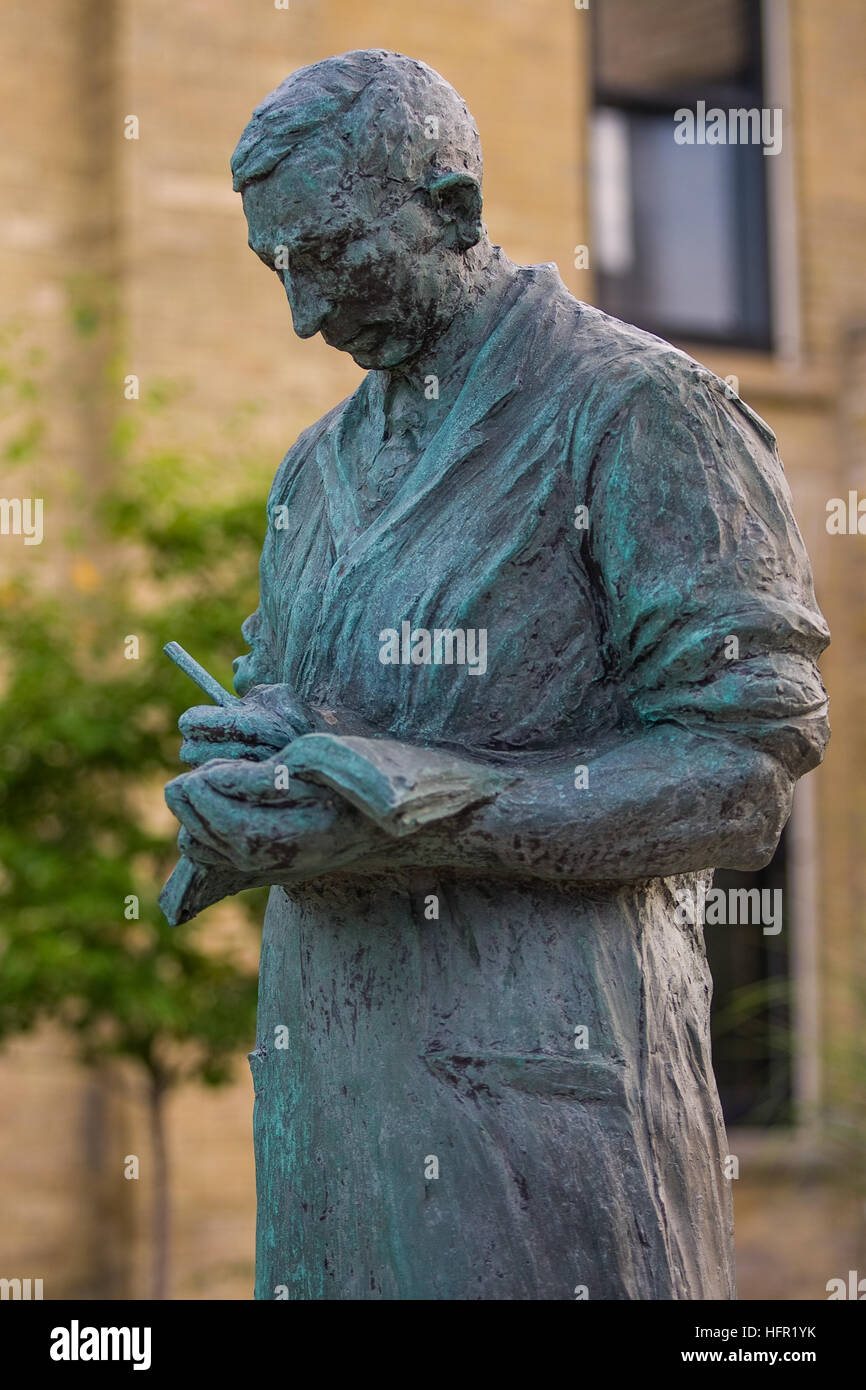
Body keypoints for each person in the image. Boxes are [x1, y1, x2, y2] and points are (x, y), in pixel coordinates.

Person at [162, 49, 830, 1300]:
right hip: (332, 1096)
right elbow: (287, 700)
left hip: (540, 1114)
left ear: (452, 209)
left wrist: (443, 807)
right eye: (277, 269)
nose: (304, 316)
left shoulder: (636, 410)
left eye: (333, 256)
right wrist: (240, 781)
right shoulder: (314, 468)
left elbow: (737, 776)